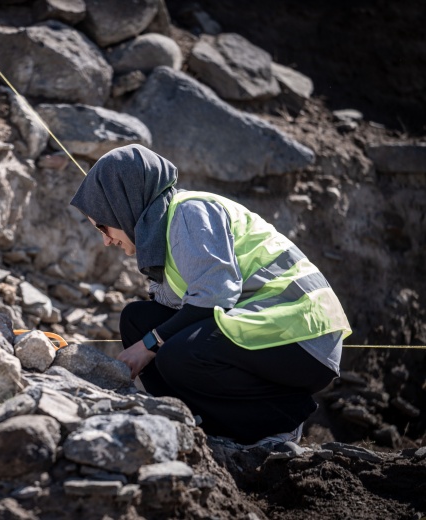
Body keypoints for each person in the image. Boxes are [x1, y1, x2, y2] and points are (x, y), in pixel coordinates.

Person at [70, 144, 352, 448]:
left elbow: (214, 297)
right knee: (137, 321)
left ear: (122, 204)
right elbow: (180, 311)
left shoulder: (188, 213)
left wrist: (150, 344)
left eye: (103, 225)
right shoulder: (162, 234)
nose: (105, 240)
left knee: (177, 353)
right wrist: (149, 339)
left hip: (302, 333)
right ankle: (204, 426)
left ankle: (281, 419)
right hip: (268, 326)